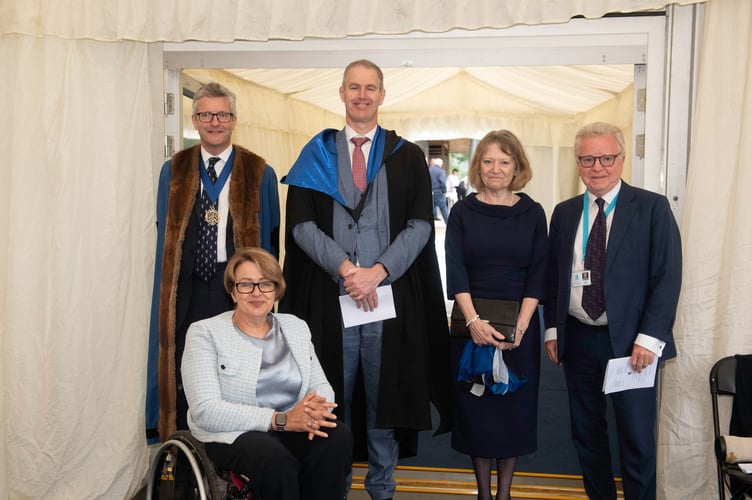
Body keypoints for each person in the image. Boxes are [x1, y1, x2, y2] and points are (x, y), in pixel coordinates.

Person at [279, 59, 451, 500]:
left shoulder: (407, 156)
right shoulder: (316, 154)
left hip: (388, 301)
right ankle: (332, 487)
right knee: (330, 395)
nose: (361, 95)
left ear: (382, 95)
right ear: (341, 93)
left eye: (370, 87)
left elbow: (420, 226)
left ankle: (381, 490)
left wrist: (377, 272)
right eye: (353, 87)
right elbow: (300, 226)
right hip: (329, 299)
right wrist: (347, 270)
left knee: (384, 400)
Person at [543, 122, 682, 500]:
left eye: (606, 157)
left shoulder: (652, 208)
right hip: (578, 339)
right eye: (588, 158)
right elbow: (554, 276)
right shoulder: (565, 212)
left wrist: (649, 340)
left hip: (632, 344)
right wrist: (553, 330)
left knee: (636, 440)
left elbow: (666, 279)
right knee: (587, 435)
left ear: (621, 160)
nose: (597, 166)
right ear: (578, 163)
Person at [145, 81, 281, 442]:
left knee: (237, 367)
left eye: (222, 114)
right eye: (206, 114)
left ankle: (238, 449)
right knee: (187, 368)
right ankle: (188, 452)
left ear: (234, 119)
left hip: (235, 286)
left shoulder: (259, 172)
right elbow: (164, 234)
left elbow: (272, 242)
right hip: (187, 287)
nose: (214, 122)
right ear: (194, 120)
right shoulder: (173, 171)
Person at [181, 247, 353, 500]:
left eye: (265, 284)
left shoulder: (295, 327)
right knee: (273, 458)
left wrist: (317, 410)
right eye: (246, 285)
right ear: (232, 291)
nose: (257, 293)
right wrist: (281, 420)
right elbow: (205, 411)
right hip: (234, 433)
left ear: (277, 289)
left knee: (337, 437)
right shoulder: (205, 333)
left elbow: (322, 386)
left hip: (292, 426)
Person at [445, 130, 548, 500]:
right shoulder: (461, 211)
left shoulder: (533, 213)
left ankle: (504, 494)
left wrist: (519, 328)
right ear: (478, 166)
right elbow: (455, 269)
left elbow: (539, 273)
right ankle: (483, 494)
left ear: (517, 166)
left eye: (504, 161)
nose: (495, 168)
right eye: (488, 161)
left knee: (512, 412)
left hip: (519, 329)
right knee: (478, 412)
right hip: (471, 327)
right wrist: (474, 322)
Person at [429, 157, 449, 223]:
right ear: (441, 164)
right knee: (443, 209)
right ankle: (449, 223)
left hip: (431, 192)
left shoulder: (429, 170)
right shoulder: (441, 171)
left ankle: (431, 222)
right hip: (439, 192)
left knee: (432, 208)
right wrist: (444, 191)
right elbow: (442, 182)